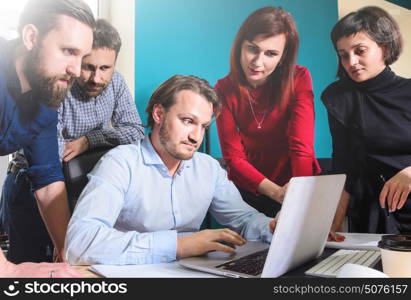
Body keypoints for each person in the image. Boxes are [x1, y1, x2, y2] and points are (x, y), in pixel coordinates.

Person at [65, 75, 276, 265]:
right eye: (188, 121)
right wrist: (179, 245)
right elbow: (80, 243)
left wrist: (275, 227)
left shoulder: (208, 168)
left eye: (203, 126)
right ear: (159, 113)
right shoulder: (120, 163)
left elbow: (245, 220)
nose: (196, 137)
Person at [2, 19, 144, 264]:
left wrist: (89, 140)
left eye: (105, 68)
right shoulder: (58, 84)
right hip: (31, 186)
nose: (96, 78)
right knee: (27, 268)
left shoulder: (117, 83)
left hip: (79, 188)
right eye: (89, 66)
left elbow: (134, 131)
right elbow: (49, 164)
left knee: (70, 268)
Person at [0, 0, 95, 277]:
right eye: (68, 51)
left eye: (82, 56)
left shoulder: (46, 99)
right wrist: (7, 270)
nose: (77, 70)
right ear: (31, 37)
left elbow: (48, 182)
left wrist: (69, 255)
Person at [215, 7, 320, 218]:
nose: (257, 62)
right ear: (240, 46)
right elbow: (233, 158)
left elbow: (301, 146)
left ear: (282, 58)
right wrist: (277, 193)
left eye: (270, 53)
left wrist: (298, 196)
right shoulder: (223, 89)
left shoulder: (299, 77)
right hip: (251, 185)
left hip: (297, 182)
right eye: (252, 49)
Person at [322, 6, 411, 235]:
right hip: (371, 211)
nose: (351, 62)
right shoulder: (337, 97)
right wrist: (332, 224)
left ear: (385, 47)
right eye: (343, 54)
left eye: (360, 50)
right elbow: (343, 164)